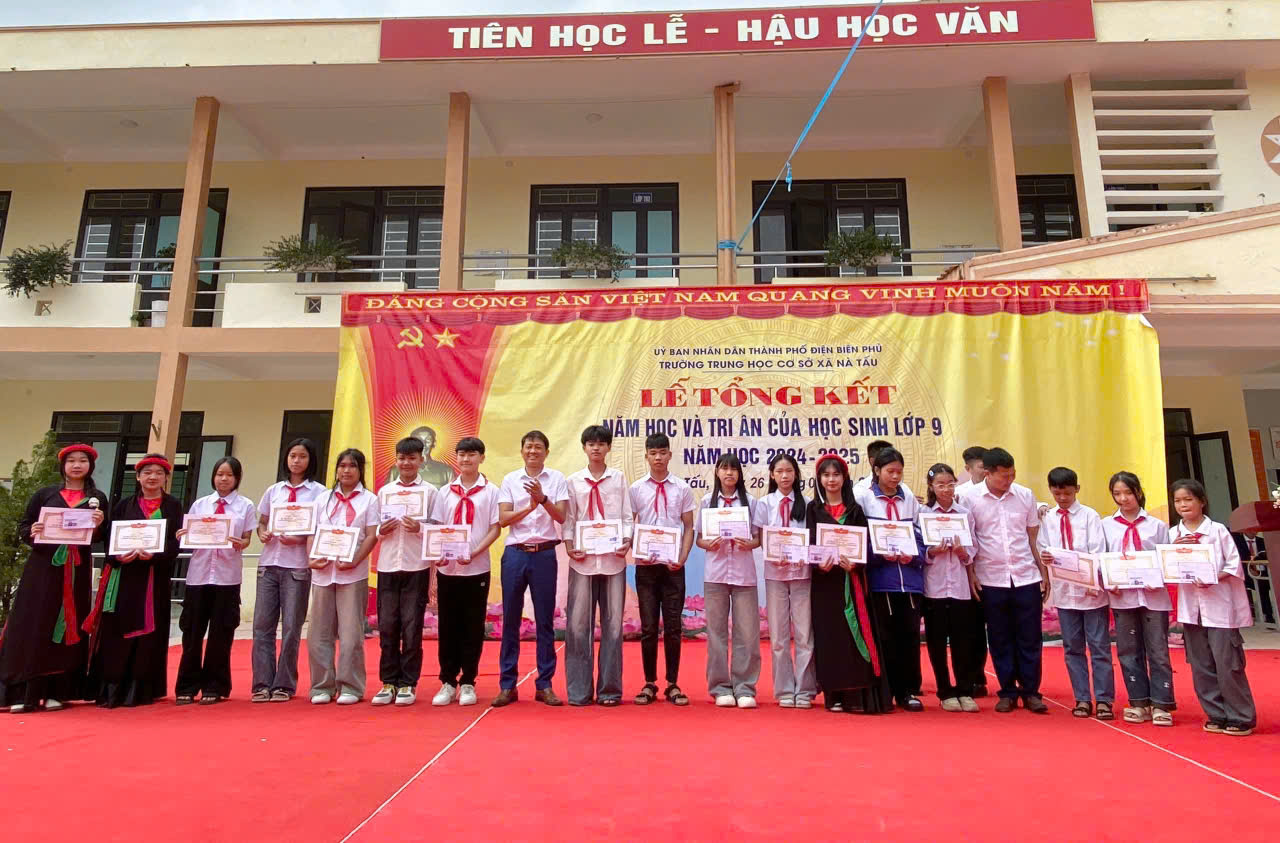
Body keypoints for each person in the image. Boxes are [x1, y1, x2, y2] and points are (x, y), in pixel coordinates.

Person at [0, 444, 109, 713]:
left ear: (90, 466)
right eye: (71, 460)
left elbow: (102, 536)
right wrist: (33, 530)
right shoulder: (45, 494)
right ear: (63, 466)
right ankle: (23, 691)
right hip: (42, 567)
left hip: (76, 569)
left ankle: (56, 691)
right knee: (33, 623)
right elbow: (25, 527)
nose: (76, 465)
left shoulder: (97, 498)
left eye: (82, 460)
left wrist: (98, 525)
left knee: (67, 625)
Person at [85, 453, 182, 708]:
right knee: (117, 631)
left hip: (154, 577)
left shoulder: (173, 506)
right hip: (125, 577)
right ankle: (113, 687)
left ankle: (140, 689)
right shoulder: (123, 505)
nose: (153, 477)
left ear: (166, 478)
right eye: (147, 472)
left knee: (151, 630)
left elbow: (175, 542)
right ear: (138, 477)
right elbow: (110, 540)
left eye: (159, 473)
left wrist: (156, 554)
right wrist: (119, 556)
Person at [959, 447, 1048, 714]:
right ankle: (1007, 691)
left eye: (1012, 474)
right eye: (1003, 476)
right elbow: (969, 539)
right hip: (990, 577)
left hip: (1025, 575)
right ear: (988, 473)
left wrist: (1043, 573)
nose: (1009, 480)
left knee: (1030, 637)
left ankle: (1031, 692)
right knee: (999, 637)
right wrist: (971, 574)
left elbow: (1033, 538)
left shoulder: (1024, 495)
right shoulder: (969, 498)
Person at [1170, 479, 1256, 736]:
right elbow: (1168, 567)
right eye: (1178, 501)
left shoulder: (1217, 531)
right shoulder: (1173, 535)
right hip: (1192, 609)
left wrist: (1213, 577)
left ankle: (1240, 716)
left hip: (1220, 607)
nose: (1183, 505)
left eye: (1188, 499)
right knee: (1201, 664)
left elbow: (1233, 564)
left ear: (1202, 501)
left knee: (1227, 662)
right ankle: (1216, 713)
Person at [807, 453, 891, 714]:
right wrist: (818, 563)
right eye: (826, 475)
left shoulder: (855, 510)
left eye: (836, 475)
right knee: (829, 636)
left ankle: (857, 695)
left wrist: (855, 564)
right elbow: (809, 544)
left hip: (850, 582)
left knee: (853, 635)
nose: (831, 480)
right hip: (825, 584)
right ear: (819, 479)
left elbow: (866, 547)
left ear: (845, 478)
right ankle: (834, 694)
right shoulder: (813, 509)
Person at [495, 430, 570, 707]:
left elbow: (561, 516)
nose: (533, 451)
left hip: (544, 555)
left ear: (546, 452)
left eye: (538, 447)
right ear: (522, 451)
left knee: (545, 621)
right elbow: (503, 519)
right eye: (528, 446)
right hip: (515, 554)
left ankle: (545, 684)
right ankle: (507, 685)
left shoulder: (557, 479)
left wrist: (543, 499)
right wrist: (529, 507)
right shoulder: (510, 480)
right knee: (511, 620)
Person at [174, 457, 255, 705]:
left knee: (221, 633)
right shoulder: (200, 505)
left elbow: (247, 538)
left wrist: (242, 543)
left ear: (237, 478)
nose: (224, 479)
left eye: (229, 475)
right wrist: (183, 535)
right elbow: (189, 535)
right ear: (213, 476)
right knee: (192, 633)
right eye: (220, 474)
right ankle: (186, 686)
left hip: (227, 578)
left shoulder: (245, 506)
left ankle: (214, 686)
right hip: (198, 577)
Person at [562, 425, 633, 707]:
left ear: (608, 448)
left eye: (601, 444)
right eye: (591, 444)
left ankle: (610, 690)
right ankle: (579, 691)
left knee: (613, 627)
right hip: (583, 561)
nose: (596, 448)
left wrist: (626, 540)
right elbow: (569, 519)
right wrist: (569, 546)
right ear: (584, 448)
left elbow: (626, 516)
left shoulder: (618, 478)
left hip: (613, 560)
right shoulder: (573, 481)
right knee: (578, 627)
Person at [251, 437, 326, 702]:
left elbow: (322, 529)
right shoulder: (274, 491)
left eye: (302, 456)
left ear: (311, 460)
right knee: (262, 626)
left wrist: (301, 539)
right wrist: (262, 533)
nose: (296, 461)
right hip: (269, 565)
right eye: (292, 455)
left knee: (292, 627)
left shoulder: (319, 493)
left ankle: (284, 684)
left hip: (297, 567)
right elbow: (262, 521)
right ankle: (261, 683)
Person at [1035, 467, 1113, 720]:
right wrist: (1046, 556)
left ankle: (1104, 699)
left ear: (1077, 489)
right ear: (1051, 491)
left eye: (1067, 493)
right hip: (1065, 593)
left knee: (1099, 647)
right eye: (1057, 494)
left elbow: (1097, 550)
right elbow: (1043, 546)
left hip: (1091, 592)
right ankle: (1082, 698)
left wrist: (1091, 580)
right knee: (1072, 648)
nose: (1062, 498)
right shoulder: (1049, 518)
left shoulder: (1089, 516)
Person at [429, 437, 501, 707]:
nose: (466, 459)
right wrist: (437, 554)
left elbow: (495, 528)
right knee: (448, 627)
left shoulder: (491, 491)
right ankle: (447, 681)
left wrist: (475, 552)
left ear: (482, 458)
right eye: (461, 454)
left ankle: (468, 681)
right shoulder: (445, 492)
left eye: (472, 454)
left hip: (477, 569)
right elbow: (437, 528)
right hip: (448, 570)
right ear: (456, 458)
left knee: (472, 627)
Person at [1100, 470, 1175, 726]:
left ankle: (1162, 704)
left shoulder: (1157, 526)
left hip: (1153, 597)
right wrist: (1110, 580)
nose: (1123, 499)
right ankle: (1138, 702)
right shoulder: (1106, 525)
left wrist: (1157, 576)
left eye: (1128, 493)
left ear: (1138, 493)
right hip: (1123, 598)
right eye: (1117, 494)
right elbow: (1102, 558)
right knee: (1128, 651)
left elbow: (1166, 560)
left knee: (1158, 651)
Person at [628, 432, 696, 707]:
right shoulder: (636, 489)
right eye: (653, 453)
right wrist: (636, 550)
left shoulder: (682, 488)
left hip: (673, 567)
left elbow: (689, 527)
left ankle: (672, 683)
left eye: (662, 452)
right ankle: (649, 682)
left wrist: (682, 557)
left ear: (670, 454)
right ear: (646, 456)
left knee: (673, 627)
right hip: (646, 568)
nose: (658, 457)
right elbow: (629, 524)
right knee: (647, 627)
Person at [856, 446, 926, 711]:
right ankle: (885, 691)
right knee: (884, 638)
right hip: (880, 580)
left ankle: (907, 692)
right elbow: (858, 538)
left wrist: (915, 556)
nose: (895, 477)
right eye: (890, 471)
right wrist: (878, 555)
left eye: (899, 472)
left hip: (909, 580)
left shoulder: (908, 497)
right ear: (876, 470)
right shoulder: (863, 497)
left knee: (909, 637)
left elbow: (920, 534)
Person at [307, 449, 379, 705]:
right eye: (342, 466)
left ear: (360, 471)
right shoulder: (322, 499)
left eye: (352, 466)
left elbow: (371, 535)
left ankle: (351, 686)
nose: (346, 470)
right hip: (323, 573)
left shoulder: (369, 500)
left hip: (353, 575)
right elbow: (312, 533)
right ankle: (321, 686)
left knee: (350, 635)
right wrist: (311, 558)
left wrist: (355, 560)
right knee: (319, 634)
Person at [372, 436, 438, 707]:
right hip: (388, 565)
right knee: (388, 626)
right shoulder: (385, 492)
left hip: (416, 566)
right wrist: (381, 529)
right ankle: (388, 682)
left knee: (412, 628)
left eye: (412, 458)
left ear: (421, 460)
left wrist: (419, 528)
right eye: (401, 458)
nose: (406, 463)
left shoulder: (431, 493)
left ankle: (408, 683)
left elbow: (437, 530)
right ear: (396, 460)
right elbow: (374, 529)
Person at [696, 453, 762, 708]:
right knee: (716, 633)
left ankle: (745, 687)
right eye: (724, 468)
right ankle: (720, 687)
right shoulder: (706, 501)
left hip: (744, 576)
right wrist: (708, 544)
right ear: (717, 472)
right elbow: (699, 538)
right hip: (715, 575)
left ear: (739, 474)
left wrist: (750, 543)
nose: (729, 473)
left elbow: (758, 538)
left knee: (747, 633)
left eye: (734, 469)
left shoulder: (751, 502)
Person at [755, 452, 816, 709]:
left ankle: (805, 690)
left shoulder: (808, 504)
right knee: (779, 637)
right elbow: (760, 538)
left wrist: (803, 555)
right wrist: (773, 554)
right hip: (775, 575)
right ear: (772, 475)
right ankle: (784, 690)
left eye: (789, 471)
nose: (784, 476)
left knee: (804, 635)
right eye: (779, 471)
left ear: (796, 474)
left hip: (802, 575)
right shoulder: (764, 504)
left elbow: (812, 539)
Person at [919, 463, 980, 713]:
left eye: (950, 484)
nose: (946, 489)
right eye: (940, 485)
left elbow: (974, 547)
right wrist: (932, 551)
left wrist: (963, 552)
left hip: (960, 588)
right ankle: (945, 692)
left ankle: (965, 690)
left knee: (962, 642)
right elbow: (919, 550)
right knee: (936, 642)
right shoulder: (923, 513)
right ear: (931, 487)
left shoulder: (964, 513)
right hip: (934, 587)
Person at [955, 445, 989, 697]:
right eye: (981, 467)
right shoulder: (959, 496)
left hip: (994, 570)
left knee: (991, 629)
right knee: (972, 628)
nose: (986, 471)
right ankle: (973, 677)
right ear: (968, 469)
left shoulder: (1001, 489)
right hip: (968, 570)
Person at [386, 425, 454, 488]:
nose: (423, 444)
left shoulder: (446, 471)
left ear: (434, 443)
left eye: (428, 440)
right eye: (419, 440)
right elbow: (388, 493)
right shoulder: (396, 470)